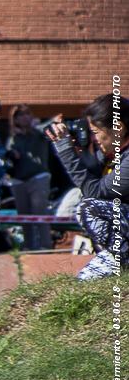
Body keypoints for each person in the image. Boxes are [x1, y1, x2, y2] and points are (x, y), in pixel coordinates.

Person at [46, 94, 129, 281]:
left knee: (87, 208)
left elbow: (95, 192)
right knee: (83, 281)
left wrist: (65, 151)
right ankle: (119, 257)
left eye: (96, 132)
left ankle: (123, 259)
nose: (94, 138)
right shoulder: (111, 154)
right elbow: (87, 176)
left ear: (118, 128)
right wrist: (74, 148)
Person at [6, 104, 52, 251]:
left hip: (38, 177)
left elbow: (49, 127)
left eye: (27, 114)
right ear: (15, 119)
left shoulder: (38, 132)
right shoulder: (13, 138)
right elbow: (7, 158)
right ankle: (29, 246)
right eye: (20, 115)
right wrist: (11, 155)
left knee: (39, 211)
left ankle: (45, 245)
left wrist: (44, 123)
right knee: (24, 215)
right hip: (18, 180)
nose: (24, 117)